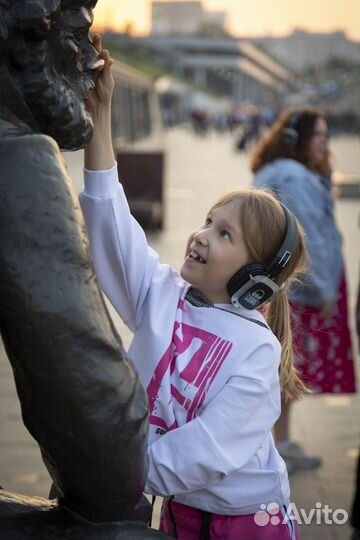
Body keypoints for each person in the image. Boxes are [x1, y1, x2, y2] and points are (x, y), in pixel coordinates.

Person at [80, 42, 311, 540]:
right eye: (209, 221)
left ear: (255, 280)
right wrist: (101, 115)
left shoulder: (256, 351)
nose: (201, 234)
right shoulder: (162, 294)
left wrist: (110, 474)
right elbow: (110, 222)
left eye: (225, 234)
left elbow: (206, 452)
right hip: (177, 511)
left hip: (250, 521)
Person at [251, 107, 357, 474]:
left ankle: (279, 441)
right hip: (297, 292)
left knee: (282, 368)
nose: (326, 144)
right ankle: (275, 446)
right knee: (285, 369)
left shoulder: (280, 173)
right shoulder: (296, 180)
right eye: (320, 136)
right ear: (297, 140)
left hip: (280, 289)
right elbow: (311, 243)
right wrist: (326, 289)